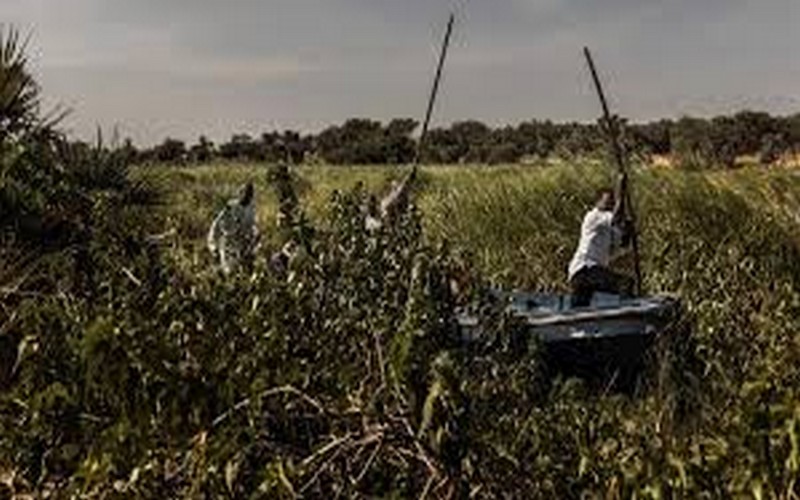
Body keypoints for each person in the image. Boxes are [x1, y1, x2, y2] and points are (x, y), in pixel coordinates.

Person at [568, 174, 633, 307]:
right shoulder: (593, 216)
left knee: (580, 309)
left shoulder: (611, 228)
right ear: (597, 203)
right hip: (584, 269)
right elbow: (616, 217)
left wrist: (627, 231)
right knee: (624, 283)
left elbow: (622, 244)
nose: (610, 205)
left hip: (592, 272)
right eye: (607, 202)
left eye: (612, 202)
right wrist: (621, 191)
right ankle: (627, 315)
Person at [207, 182, 259, 274]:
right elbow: (216, 226)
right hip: (228, 245)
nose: (248, 197)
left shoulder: (251, 208)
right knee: (229, 272)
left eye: (250, 195)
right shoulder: (230, 207)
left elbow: (253, 226)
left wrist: (255, 240)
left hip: (243, 246)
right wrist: (213, 247)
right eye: (245, 194)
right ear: (240, 193)